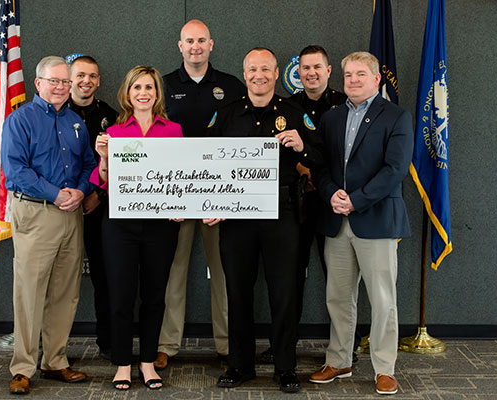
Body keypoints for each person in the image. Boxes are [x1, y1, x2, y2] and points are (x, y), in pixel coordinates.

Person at [206, 48, 324, 393]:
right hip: (236, 216)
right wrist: (209, 201)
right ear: (245, 74)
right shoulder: (225, 114)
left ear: (277, 74)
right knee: (237, 290)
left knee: (284, 292)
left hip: (282, 214)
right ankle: (239, 365)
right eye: (252, 69)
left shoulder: (294, 112)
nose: (259, 75)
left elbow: (320, 156)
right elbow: (204, 162)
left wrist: (301, 145)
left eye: (265, 69)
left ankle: (286, 367)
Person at [308, 51, 413, 396]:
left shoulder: (396, 117)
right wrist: (331, 194)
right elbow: (320, 167)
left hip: (376, 220)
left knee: (383, 299)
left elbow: (394, 171)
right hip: (337, 220)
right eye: (348, 75)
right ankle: (339, 360)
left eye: (360, 74)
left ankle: (384, 367)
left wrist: (357, 199)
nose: (353, 80)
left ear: (376, 79)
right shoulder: (332, 118)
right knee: (338, 297)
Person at [155, 19, 245, 370]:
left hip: (218, 196)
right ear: (180, 45)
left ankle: (226, 345)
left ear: (211, 44)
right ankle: (166, 345)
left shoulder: (231, 86)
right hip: (175, 194)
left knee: (222, 272)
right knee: (173, 270)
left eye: (201, 41)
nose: (195, 46)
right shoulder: (162, 85)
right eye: (189, 41)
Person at [2, 56, 95, 395]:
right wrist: (57, 194)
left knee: (65, 292)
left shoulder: (76, 122)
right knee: (29, 292)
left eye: (65, 82)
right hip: (36, 212)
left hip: (71, 215)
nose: (60, 87)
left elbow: (89, 164)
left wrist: (81, 190)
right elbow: (16, 171)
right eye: (54, 81)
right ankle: (22, 367)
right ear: (38, 83)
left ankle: (55, 361)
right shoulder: (20, 120)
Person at [91, 65, 182, 391]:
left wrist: (181, 207)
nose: (143, 93)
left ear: (157, 93)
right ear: (127, 94)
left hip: (161, 226)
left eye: (149, 87)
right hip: (120, 225)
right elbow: (102, 183)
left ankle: (147, 362)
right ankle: (122, 364)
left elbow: (182, 177)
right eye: (136, 88)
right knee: (121, 296)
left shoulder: (173, 130)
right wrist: (103, 157)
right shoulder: (114, 133)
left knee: (155, 296)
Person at [260, 45, 347, 364]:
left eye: (316, 67)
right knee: (289, 277)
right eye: (304, 68)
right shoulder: (287, 106)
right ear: (297, 72)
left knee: (339, 279)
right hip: (297, 201)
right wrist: (303, 170)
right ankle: (283, 344)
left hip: (335, 201)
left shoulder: (344, 104)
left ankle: (343, 346)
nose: (310, 73)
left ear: (328, 70)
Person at [66, 54, 118, 359]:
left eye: (93, 76)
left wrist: (98, 193)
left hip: (99, 206)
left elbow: (122, 164)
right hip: (63, 204)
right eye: (80, 75)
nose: (87, 81)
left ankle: (108, 343)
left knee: (104, 277)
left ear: (99, 81)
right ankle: (51, 346)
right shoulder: (57, 113)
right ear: (70, 79)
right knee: (59, 279)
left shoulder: (111, 116)